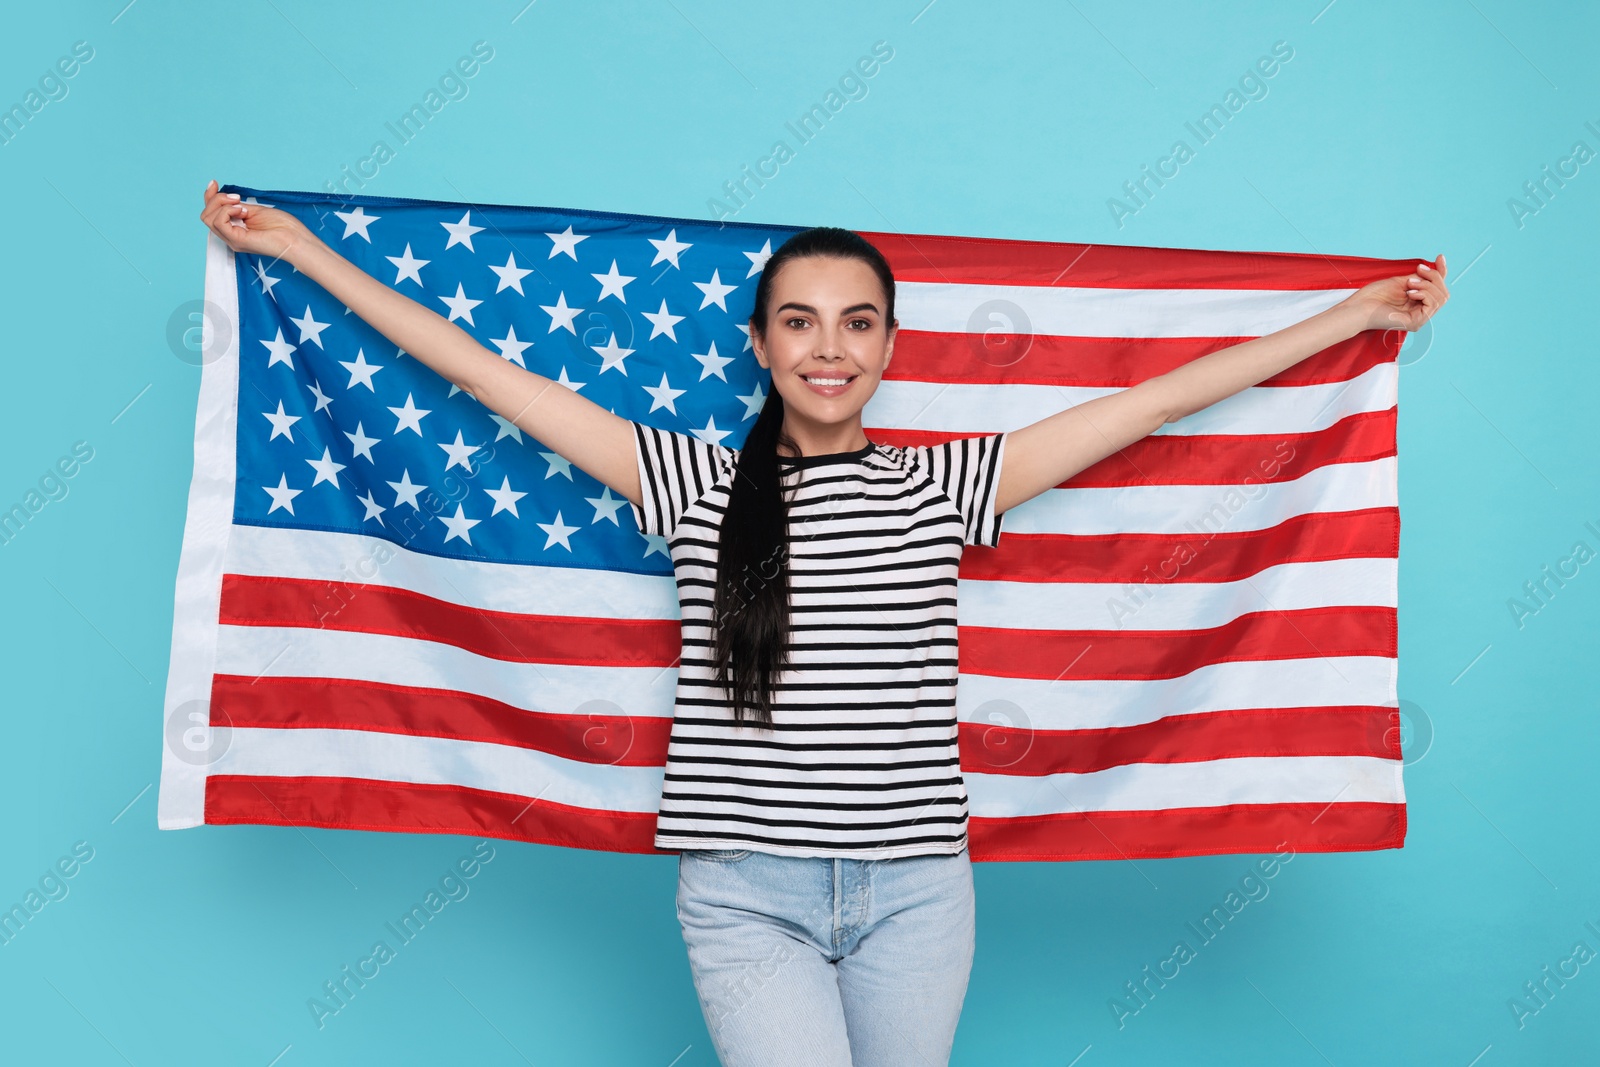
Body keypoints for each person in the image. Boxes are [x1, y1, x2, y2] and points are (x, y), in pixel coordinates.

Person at [198, 180, 1448, 1065]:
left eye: (856, 322)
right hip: (745, 893)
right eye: (800, 321)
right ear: (760, 343)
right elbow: (485, 373)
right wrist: (304, 253)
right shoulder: (689, 479)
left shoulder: (941, 483)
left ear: (890, 345)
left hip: (916, 888)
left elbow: (1156, 401)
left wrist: (1353, 318)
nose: (828, 347)